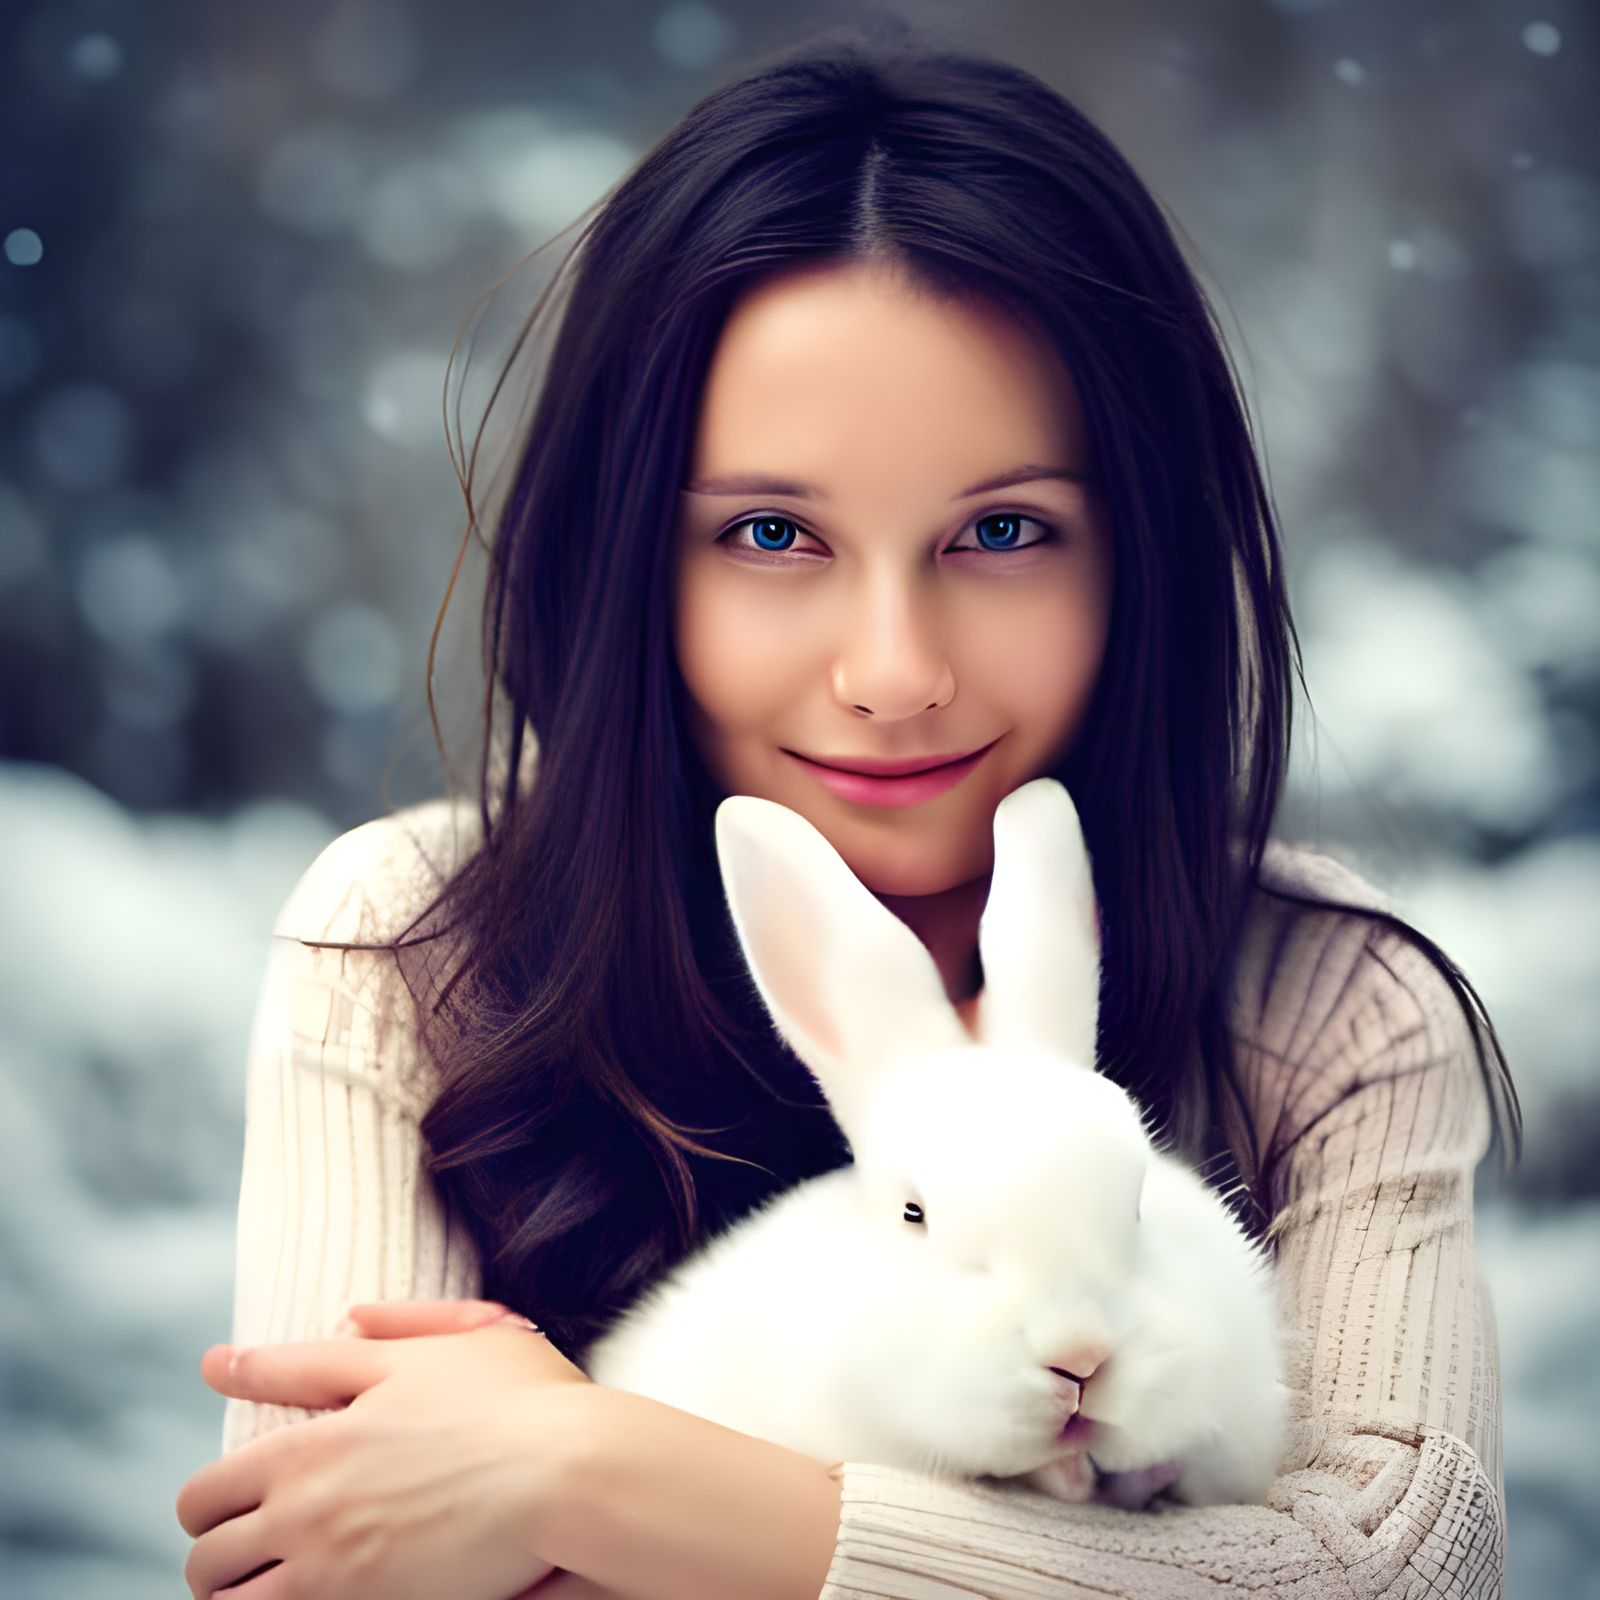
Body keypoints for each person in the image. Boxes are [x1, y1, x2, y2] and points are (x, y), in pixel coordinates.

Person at [175, 22, 1519, 1600]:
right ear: (629, 562)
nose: (893, 674)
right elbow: (327, 1563)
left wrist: (586, 1470)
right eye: (769, 533)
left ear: (1139, 560)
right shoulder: (413, 947)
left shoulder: (1335, 1010)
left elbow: (1397, 1570)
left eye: (1002, 529)